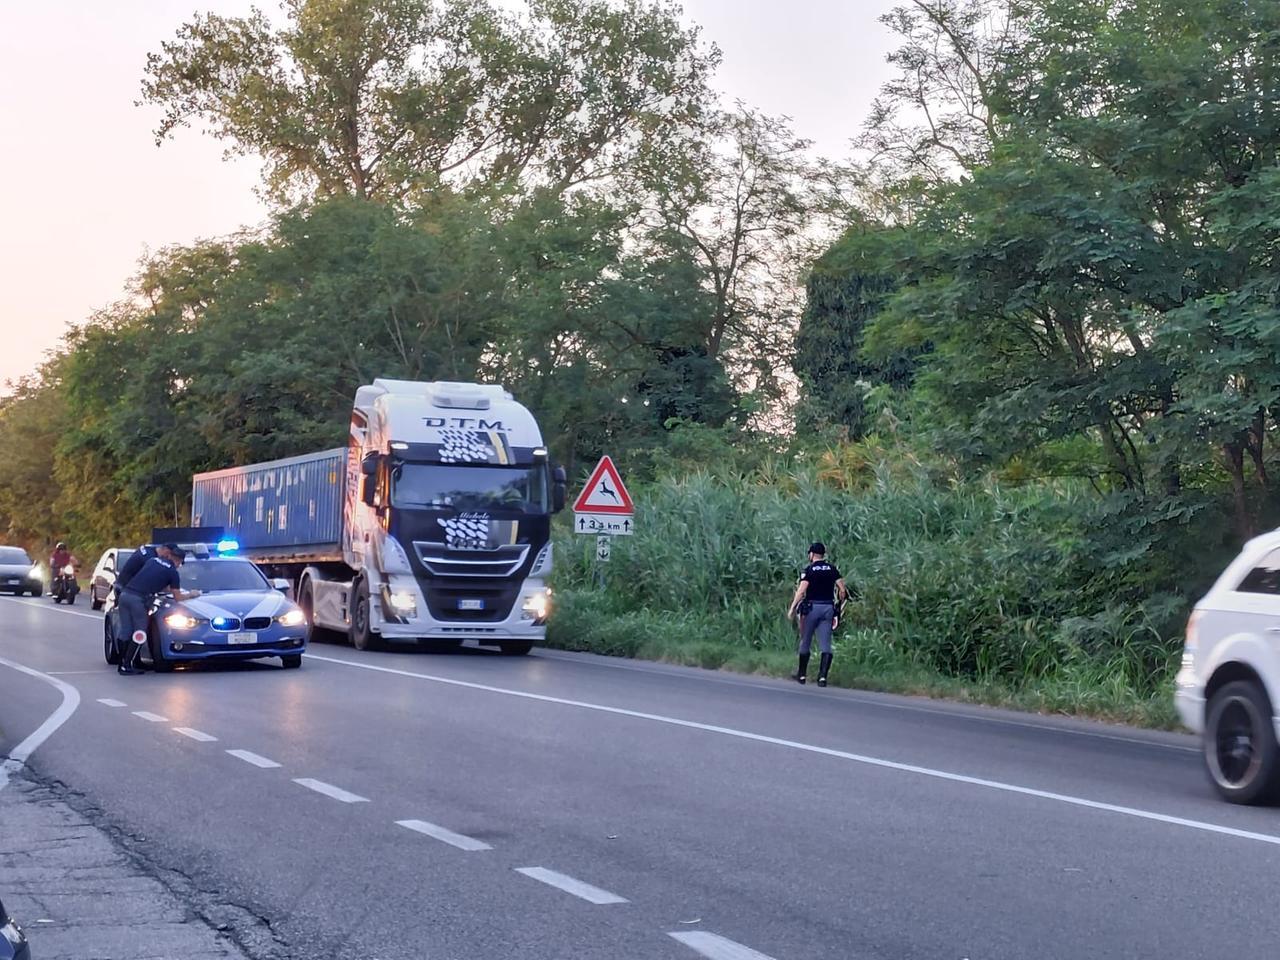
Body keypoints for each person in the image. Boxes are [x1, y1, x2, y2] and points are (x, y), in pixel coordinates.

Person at [116, 547, 201, 676]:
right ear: (179, 561)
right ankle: (127, 665)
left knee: (126, 631)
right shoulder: (172, 573)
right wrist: (191, 594)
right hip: (138, 600)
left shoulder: (153, 561)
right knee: (140, 633)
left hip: (125, 595)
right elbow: (178, 598)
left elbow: (153, 581)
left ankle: (121, 664)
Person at [786, 542, 847, 687]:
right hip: (828, 608)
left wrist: (792, 608)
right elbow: (842, 589)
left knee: (805, 640)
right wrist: (839, 604)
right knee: (825, 644)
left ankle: (801, 675)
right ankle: (822, 677)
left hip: (812, 608)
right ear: (823, 554)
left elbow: (801, 591)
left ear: (812, 554)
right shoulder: (832, 569)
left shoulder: (809, 570)